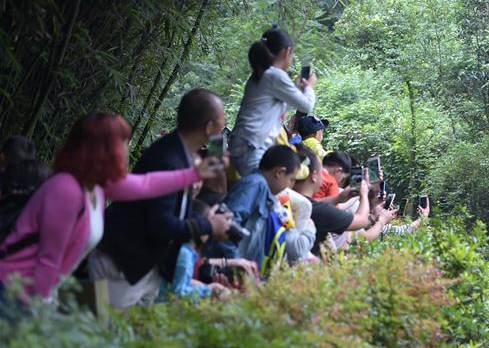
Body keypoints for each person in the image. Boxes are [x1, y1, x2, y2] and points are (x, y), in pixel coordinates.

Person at [0, 113, 222, 300]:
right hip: (14, 290)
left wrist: (194, 174)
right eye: (122, 143)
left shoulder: (97, 185)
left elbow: (146, 184)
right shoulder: (66, 189)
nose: (126, 150)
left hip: (31, 291)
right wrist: (40, 309)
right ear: (103, 150)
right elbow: (48, 260)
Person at [91, 89, 232, 309]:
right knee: (105, 335)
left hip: (145, 267)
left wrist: (209, 218)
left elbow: (214, 186)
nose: (223, 130)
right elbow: (160, 224)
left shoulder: (183, 154)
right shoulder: (168, 158)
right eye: (222, 124)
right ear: (209, 127)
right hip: (122, 266)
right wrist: (207, 225)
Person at [229, 27, 317, 176]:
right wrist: (309, 87)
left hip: (244, 143)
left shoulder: (261, 74)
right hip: (251, 145)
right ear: (287, 51)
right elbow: (306, 105)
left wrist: (296, 88)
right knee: (258, 189)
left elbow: (279, 104)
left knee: (262, 190)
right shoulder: (274, 75)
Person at [215, 144, 300, 270]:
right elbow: (227, 226)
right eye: (290, 179)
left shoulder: (262, 188)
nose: (290, 186)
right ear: (279, 172)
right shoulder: (254, 185)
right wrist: (237, 266)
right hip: (233, 270)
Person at [292, 146, 372, 255]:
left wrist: (338, 198)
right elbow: (361, 221)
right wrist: (364, 193)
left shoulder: (291, 199)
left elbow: (316, 203)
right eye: (322, 173)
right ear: (314, 176)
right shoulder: (318, 210)